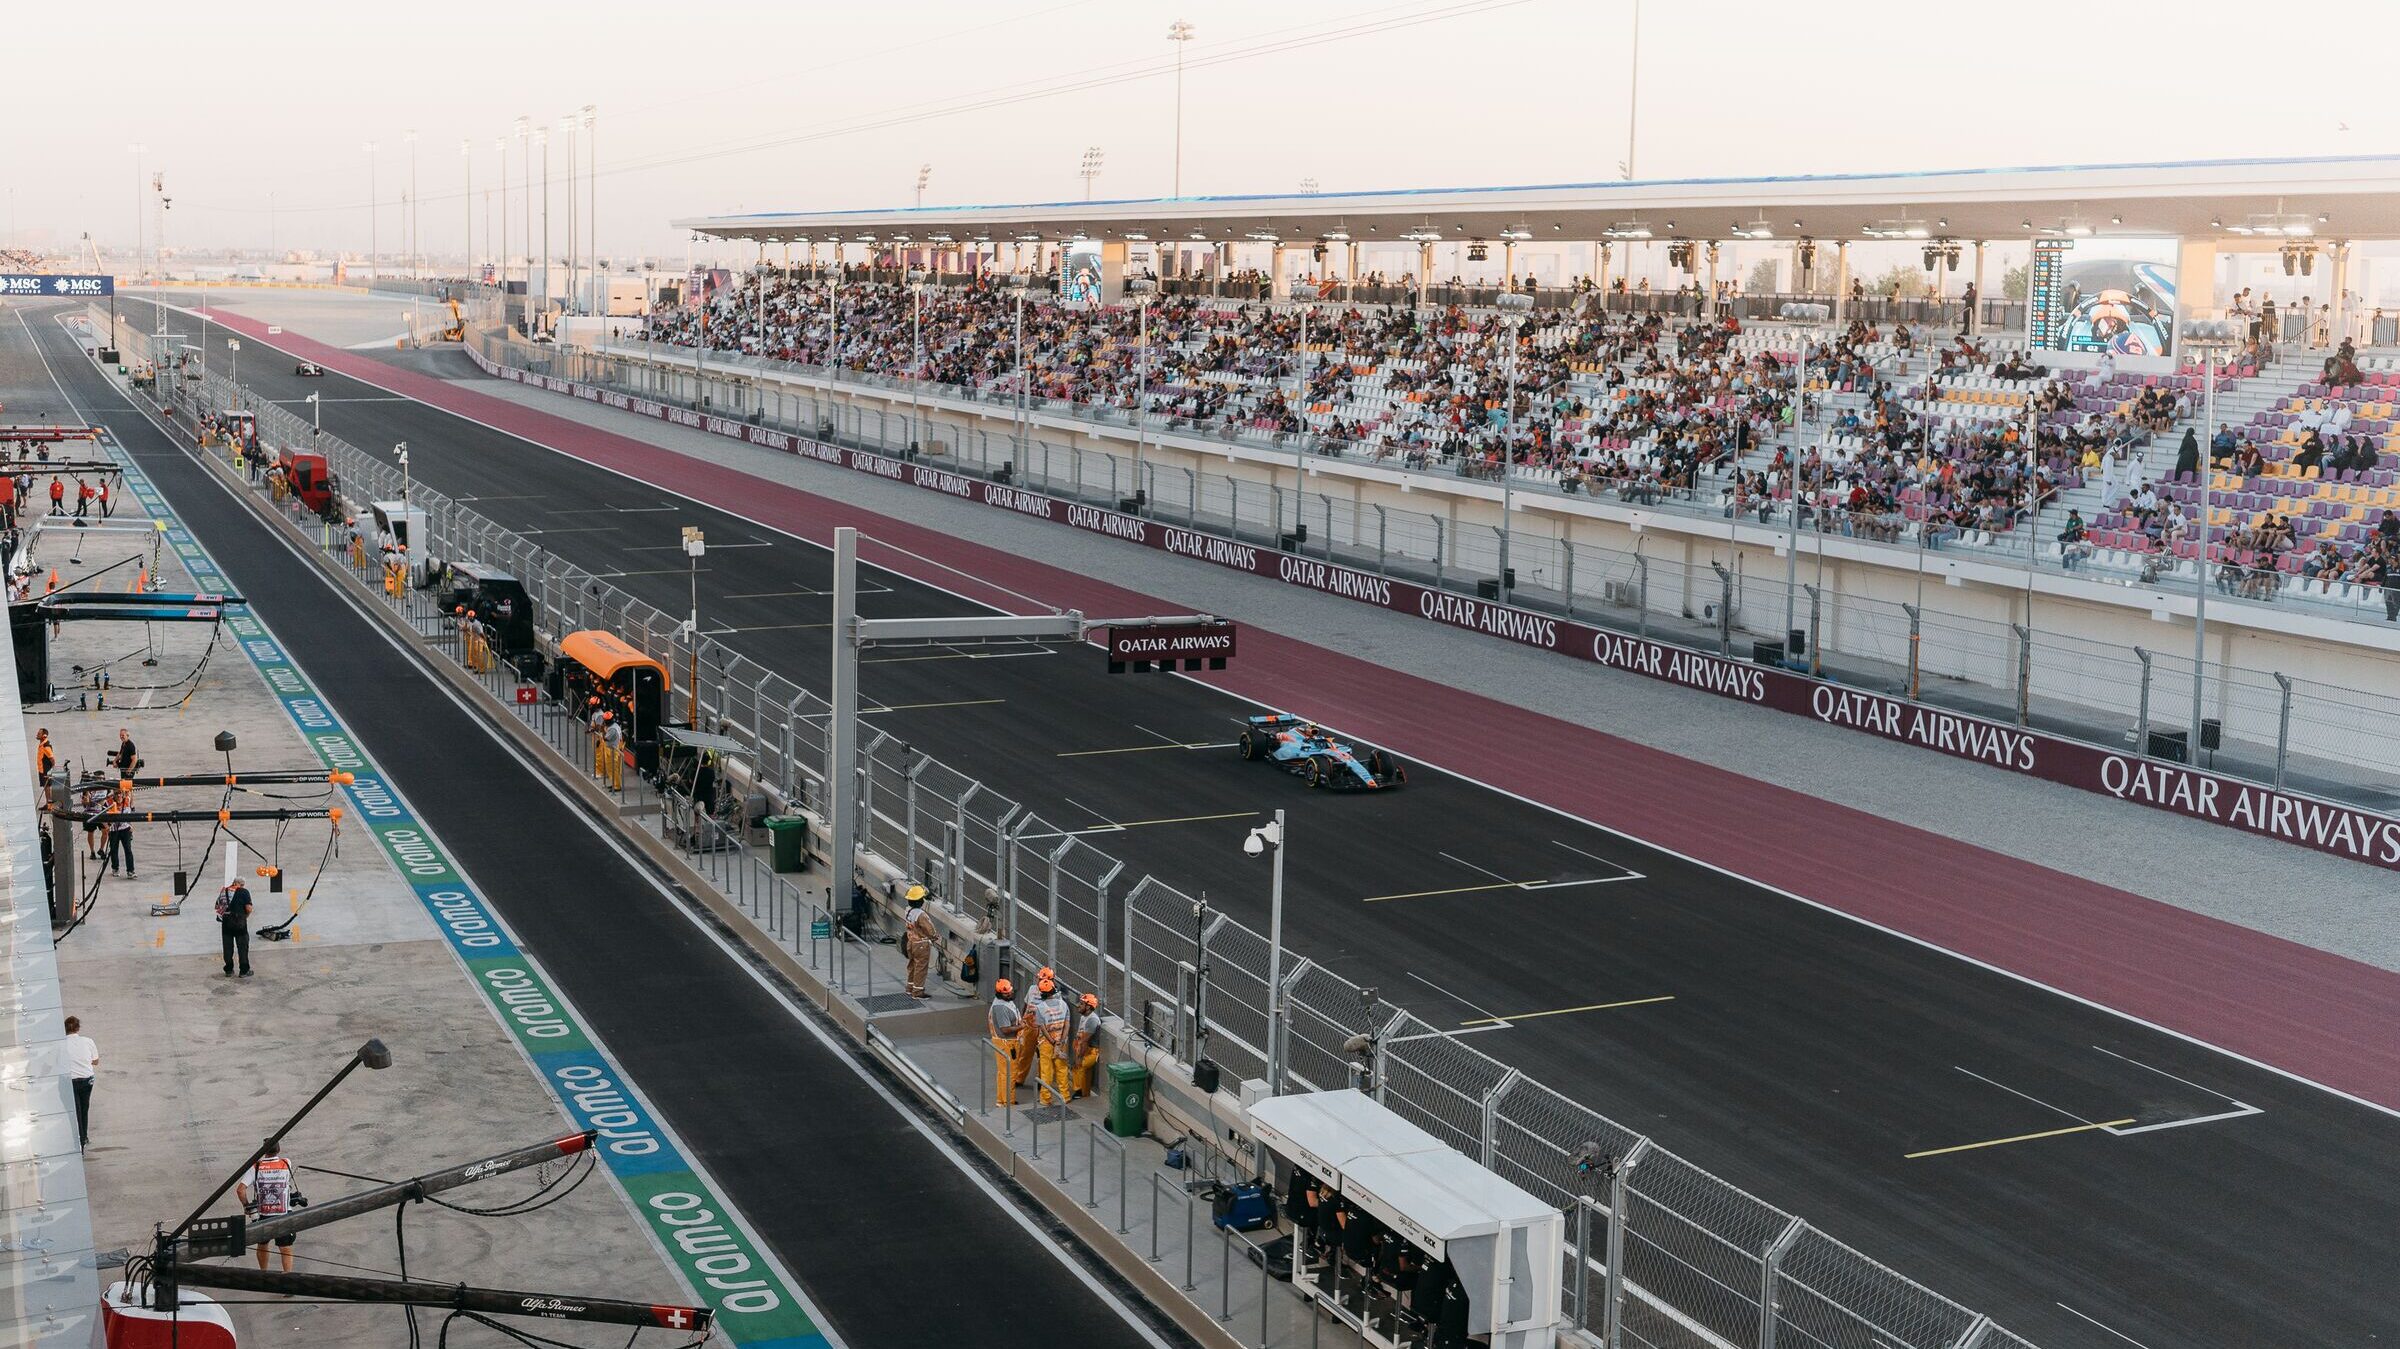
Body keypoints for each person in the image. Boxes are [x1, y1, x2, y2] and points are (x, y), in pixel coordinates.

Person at [238, 1147, 299, 1272]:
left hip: (263, 1214)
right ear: (279, 1150)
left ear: (264, 1151)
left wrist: (246, 1206)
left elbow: (240, 1190)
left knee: (262, 1245)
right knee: (285, 1248)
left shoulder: (255, 1167)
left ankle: (264, 1273)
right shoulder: (286, 1162)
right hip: (284, 1213)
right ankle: (287, 1276)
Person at [1028, 971, 1071, 1105]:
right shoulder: (1063, 1004)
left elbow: (1042, 1028)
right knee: (1062, 1070)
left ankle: (1046, 1099)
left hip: (1046, 1043)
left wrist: (1053, 1042)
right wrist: (1060, 1042)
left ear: (1042, 993)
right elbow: (1067, 1024)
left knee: (1046, 1072)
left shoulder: (1040, 1008)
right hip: (1062, 1042)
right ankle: (1065, 1096)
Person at [986, 977, 1028, 1104]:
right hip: (1007, 1044)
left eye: (1010, 991)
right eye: (1006, 993)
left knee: (1003, 1073)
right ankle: (1008, 1102)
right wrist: (1021, 1026)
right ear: (1000, 994)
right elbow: (1005, 1029)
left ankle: (1001, 1100)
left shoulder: (1005, 1002)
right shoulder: (1001, 1008)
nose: (1010, 994)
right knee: (1009, 1074)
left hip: (1005, 1043)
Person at [61, 1015, 96, 1149]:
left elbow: (53, 1064)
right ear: (78, 1028)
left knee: (75, 1111)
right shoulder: (88, 1041)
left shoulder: (61, 1044)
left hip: (70, 1082)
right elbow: (96, 1061)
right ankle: (84, 1137)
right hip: (87, 1080)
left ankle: (79, 1139)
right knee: (84, 1108)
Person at [900, 884, 935, 999]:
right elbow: (930, 930)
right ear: (920, 901)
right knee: (921, 968)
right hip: (921, 945)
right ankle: (918, 992)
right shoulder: (921, 915)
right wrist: (935, 937)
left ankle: (910, 988)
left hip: (910, 942)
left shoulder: (908, 911)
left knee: (912, 965)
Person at [217, 877, 254, 977]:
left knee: (227, 946)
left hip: (226, 922)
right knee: (242, 946)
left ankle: (229, 970)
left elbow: (218, 906)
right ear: (241, 884)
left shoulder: (223, 891)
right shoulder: (244, 892)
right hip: (239, 922)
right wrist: (246, 916)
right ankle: (244, 971)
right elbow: (249, 908)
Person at [1068, 992, 1101, 1097]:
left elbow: (1085, 1041)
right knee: (1078, 1067)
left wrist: (1079, 1057)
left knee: (1080, 1065)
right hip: (1084, 1048)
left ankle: (1079, 1091)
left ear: (1088, 1007)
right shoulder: (1084, 1017)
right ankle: (1084, 1092)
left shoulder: (1092, 1020)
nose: (1078, 1005)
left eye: (1081, 1004)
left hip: (1092, 1051)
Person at [104, 789, 135, 879]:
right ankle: (115, 868)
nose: (118, 796)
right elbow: (101, 815)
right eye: (116, 793)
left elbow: (131, 813)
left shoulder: (127, 800)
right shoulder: (108, 802)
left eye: (120, 793)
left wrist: (131, 825)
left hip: (125, 829)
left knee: (128, 850)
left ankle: (130, 871)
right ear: (113, 794)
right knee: (114, 850)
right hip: (114, 830)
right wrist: (106, 826)